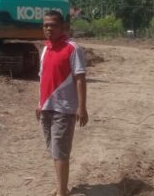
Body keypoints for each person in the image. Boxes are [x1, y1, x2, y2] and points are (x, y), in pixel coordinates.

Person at [36, 10, 88, 196]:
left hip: (64, 110)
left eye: (52, 24)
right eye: (45, 25)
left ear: (63, 27)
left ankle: (61, 192)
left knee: (60, 153)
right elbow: (43, 79)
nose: (48, 28)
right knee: (54, 150)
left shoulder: (73, 48)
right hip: (47, 108)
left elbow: (80, 79)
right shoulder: (45, 50)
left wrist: (82, 108)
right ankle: (61, 187)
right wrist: (39, 103)